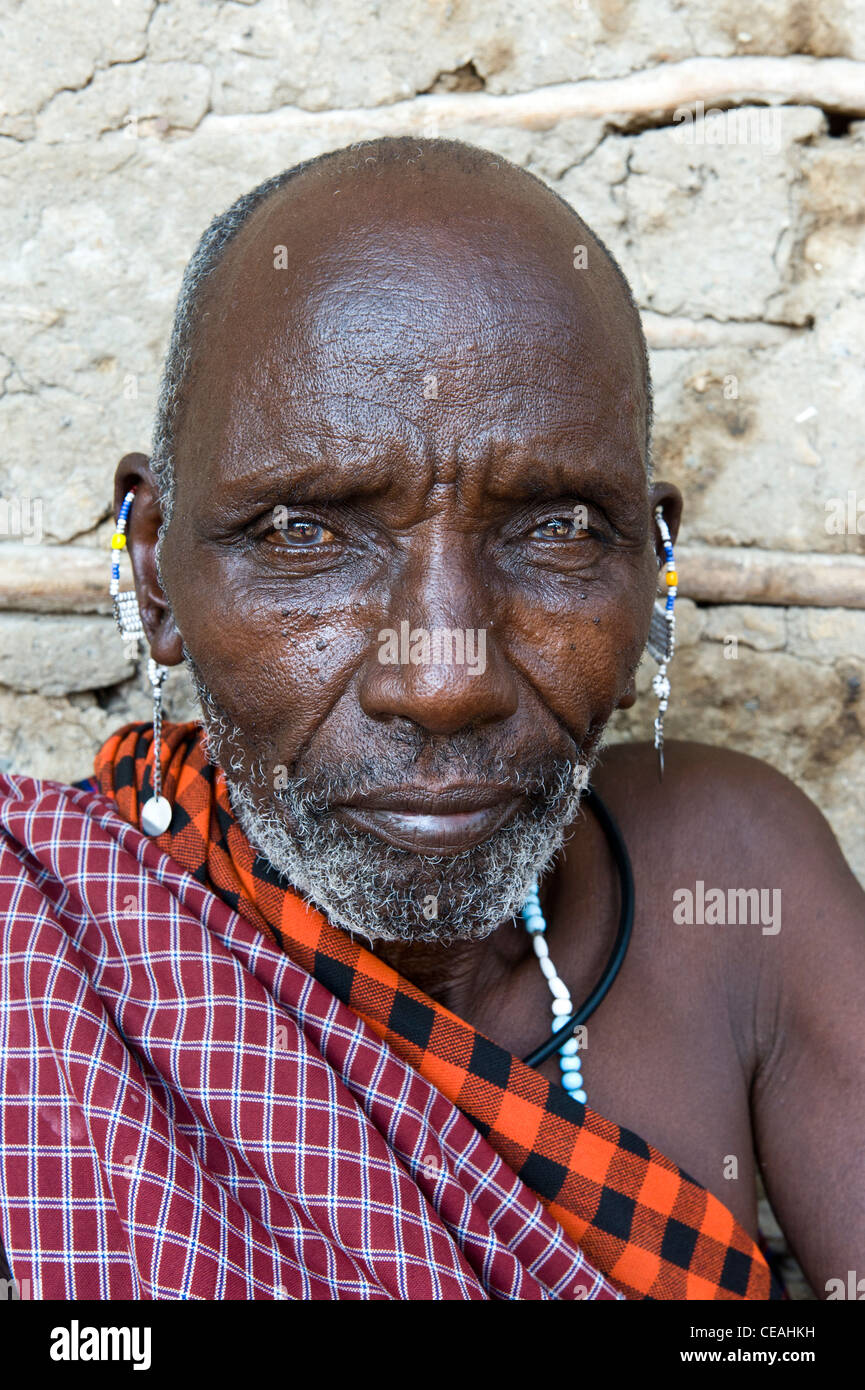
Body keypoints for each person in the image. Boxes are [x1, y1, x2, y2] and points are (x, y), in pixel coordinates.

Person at [1, 138, 862, 1302]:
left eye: (555, 528)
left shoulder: (734, 875)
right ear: (155, 571)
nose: (446, 682)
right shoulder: (41, 966)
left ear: (652, 566)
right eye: (305, 531)